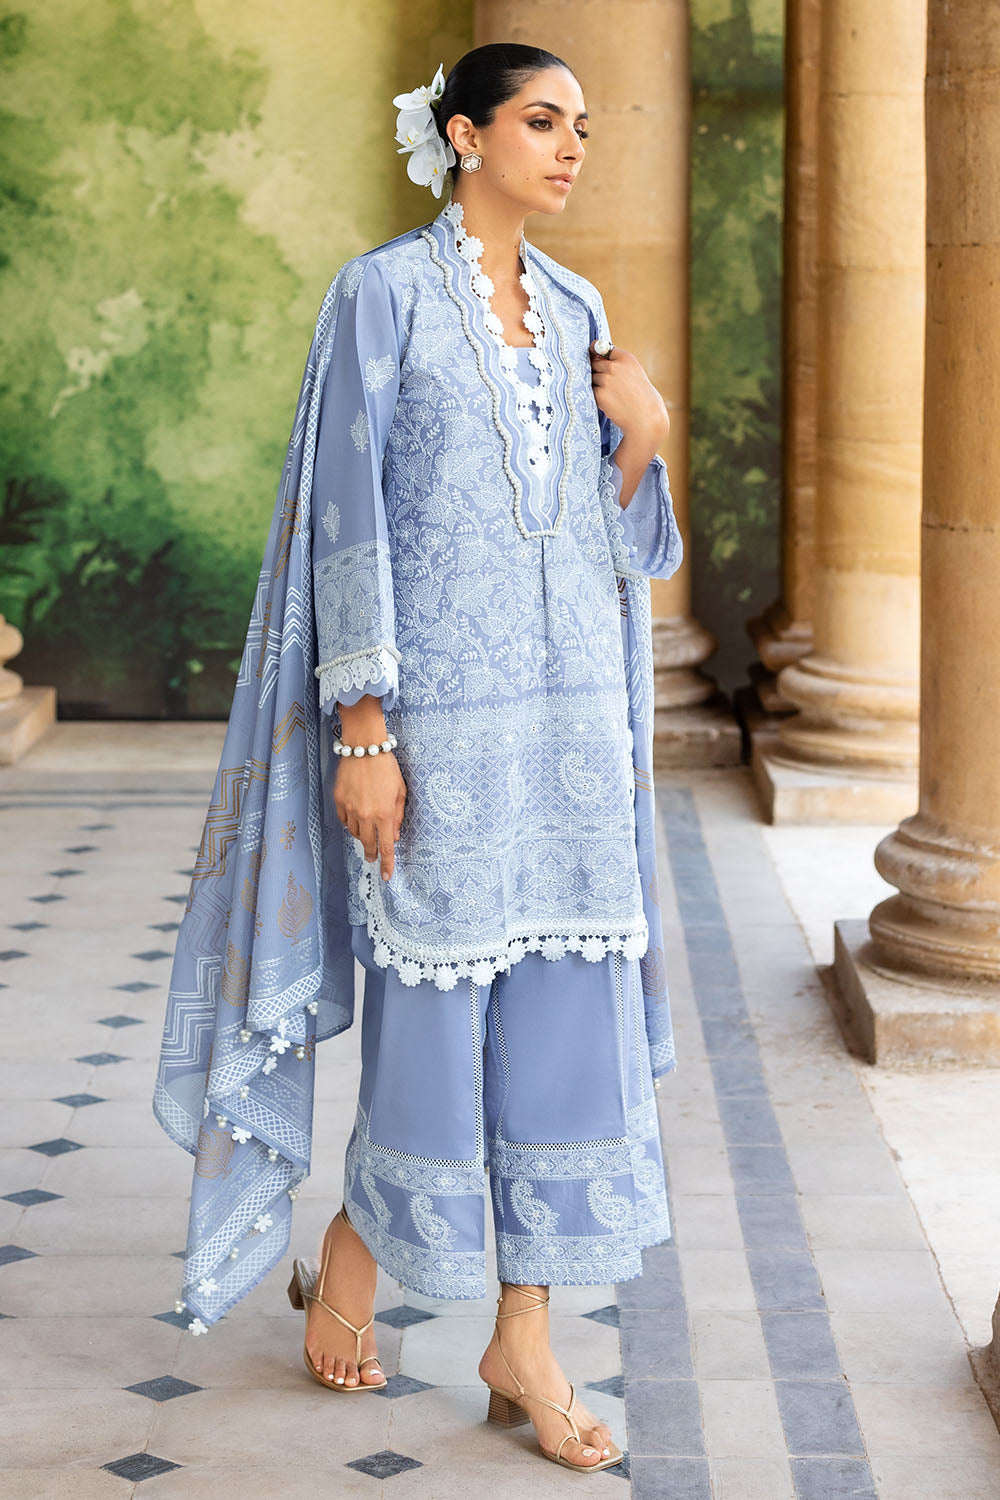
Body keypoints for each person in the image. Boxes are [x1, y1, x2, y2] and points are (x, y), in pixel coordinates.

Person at [154, 42, 683, 1475]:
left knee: (566, 1026)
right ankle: (357, 1241)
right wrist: (365, 730)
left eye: (581, 127)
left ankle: (526, 1337)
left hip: (572, 738)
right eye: (541, 121)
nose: (570, 148)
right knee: (434, 1024)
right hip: (438, 733)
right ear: (463, 135)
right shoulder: (379, 297)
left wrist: (643, 438)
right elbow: (351, 519)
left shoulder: (581, 310)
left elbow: (605, 543)